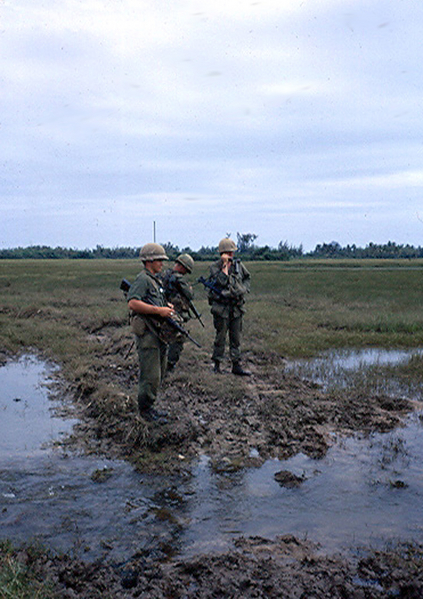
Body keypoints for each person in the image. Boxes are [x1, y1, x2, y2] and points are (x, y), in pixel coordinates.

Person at [127, 242, 174, 422]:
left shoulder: (154, 280)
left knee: (158, 374)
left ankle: (150, 407)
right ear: (149, 261)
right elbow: (133, 303)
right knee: (150, 375)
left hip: (157, 333)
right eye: (159, 260)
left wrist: (165, 307)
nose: (162, 263)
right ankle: (145, 411)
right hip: (147, 335)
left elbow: (152, 301)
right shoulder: (143, 279)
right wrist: (159, 311)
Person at [207, 237, 251, 375]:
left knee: (236, 337)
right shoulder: (215, 267)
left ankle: (236, 365)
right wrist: (225, 266)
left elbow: (247, 277)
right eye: (228, 253)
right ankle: (217, 364)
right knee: (220, 337)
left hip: (236, 308)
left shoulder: (238, 265)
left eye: (232, 252)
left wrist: (243, 289)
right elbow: (222, 281)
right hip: (222, 308)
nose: (231, 255)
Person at [159, 253, 195, 371]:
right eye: (186, 270)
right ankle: (169, 364)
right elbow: (190, 295)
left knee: (162, 338)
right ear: (181, 266)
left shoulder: (163, 275)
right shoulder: (179, 278)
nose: (185, 273)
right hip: (172, 313)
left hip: (160, 311)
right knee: (179, 337)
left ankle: (161, 363)